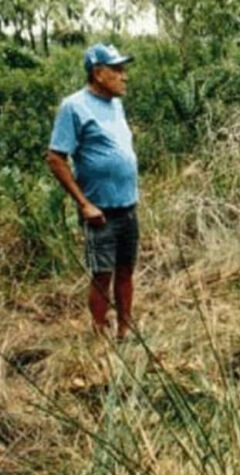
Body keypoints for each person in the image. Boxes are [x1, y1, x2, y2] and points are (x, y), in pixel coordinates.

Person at [46, 43, 138, 339]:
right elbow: (56, 158)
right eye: (117, 70)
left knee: (126, 270)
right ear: (98, 73)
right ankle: (99, 336)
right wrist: (84, 203)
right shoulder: (74, 106)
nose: (124, 76)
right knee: (102, 275)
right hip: (100, 211)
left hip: (128, 206)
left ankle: (125, 329)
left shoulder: (116, 105)